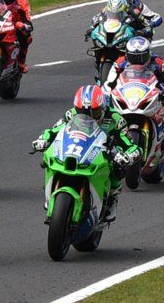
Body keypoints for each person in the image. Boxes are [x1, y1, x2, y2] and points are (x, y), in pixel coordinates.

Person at [31, 85, 140, 225]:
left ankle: (111, 199)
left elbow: (130, 144)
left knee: (117, 165)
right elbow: (53, 130)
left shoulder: (115, 119)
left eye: (93, 112)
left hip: (103, 151)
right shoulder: (71, 114)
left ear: (102, 107)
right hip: (76, 147)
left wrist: (127, 155)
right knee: (47, 157)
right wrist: (43, 140)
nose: (87, 116)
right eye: (81, 111)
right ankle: (51, 191)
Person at [106, 36, 164, 150]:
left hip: (154, 92)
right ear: (127, 55)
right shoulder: (120, 63)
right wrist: (105, 93)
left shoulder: (158, 62)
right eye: (133, 57)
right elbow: (109, 82)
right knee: (106, 109)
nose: (138, 61)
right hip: (127, 92)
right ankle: (107, 139)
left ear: (148, 53)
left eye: (141, 57)